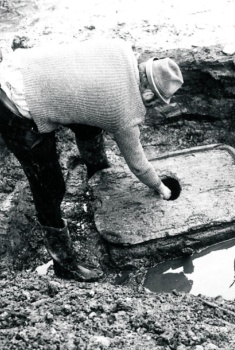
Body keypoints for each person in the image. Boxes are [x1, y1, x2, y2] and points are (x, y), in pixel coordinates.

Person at [0, 39, 184, 282]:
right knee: (50, 186)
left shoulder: (121, 49)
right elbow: (138, 163)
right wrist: (160, 187)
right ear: (149, 93)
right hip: (14, 105)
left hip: (19, 66)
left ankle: (96, 169)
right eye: (156, 101)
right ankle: (64, 263)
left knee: (89, 120)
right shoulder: (124, 111)